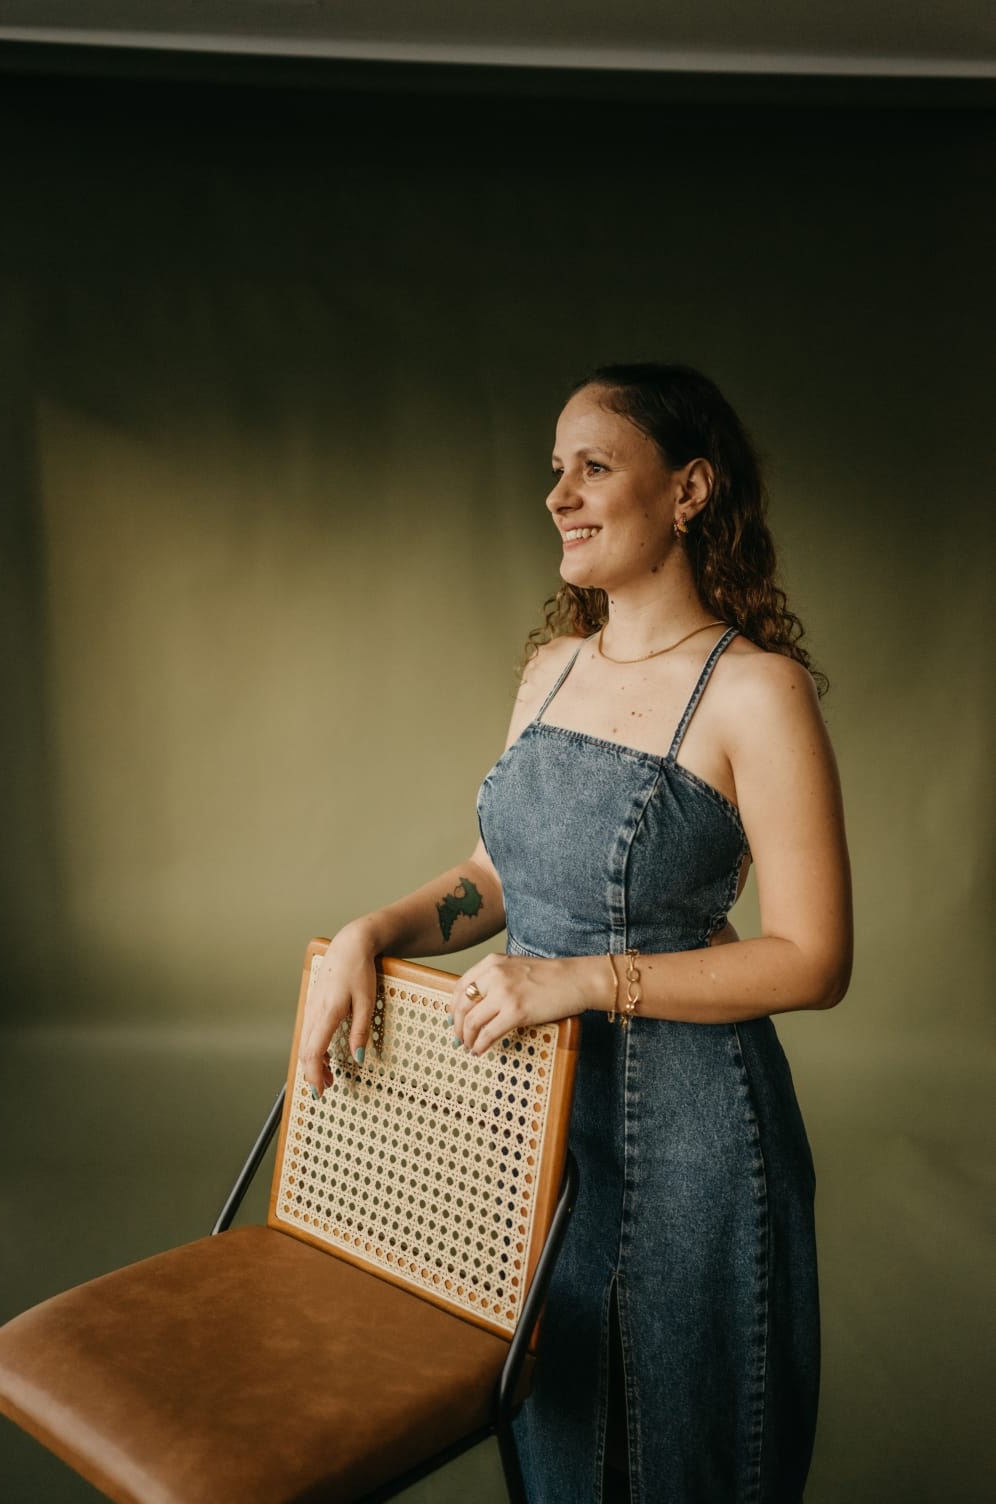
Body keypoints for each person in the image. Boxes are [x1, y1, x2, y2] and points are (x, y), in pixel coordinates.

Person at [300, 363, 853, 1504]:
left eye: (593, 467)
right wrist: (371, 930)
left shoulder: (758, 694)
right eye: (555, 470)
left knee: (683, 1456)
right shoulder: (550, 671)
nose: (558, 495)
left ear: (688, 490)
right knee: (555, 1432)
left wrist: (584, 980)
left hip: (696, 1147)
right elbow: (493, 875)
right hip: (539, 1135)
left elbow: (813, 958)